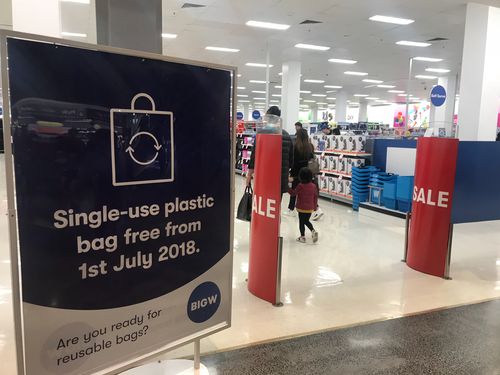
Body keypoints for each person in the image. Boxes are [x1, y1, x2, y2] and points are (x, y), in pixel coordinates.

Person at [246, 106, 294, 197]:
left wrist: (249, 175)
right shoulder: (287, 135)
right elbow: (291, 160)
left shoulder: (262, 133)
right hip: (280, 179)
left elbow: (254, 156)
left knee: (263, 203)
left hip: (265, 176)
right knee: (275, 205)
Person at [286, 128, 314, 214]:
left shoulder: (296, 147)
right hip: (307, 172)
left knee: (294, 190)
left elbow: (293, 162)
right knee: (306, 191)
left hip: (297, 173)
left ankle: (291, 209)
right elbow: (311, 158)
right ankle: (312, 208)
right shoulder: (310, 146)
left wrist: (290, 174)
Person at [289, 167, 319, 243]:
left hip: (301, 207)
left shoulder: (300, 186)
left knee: (302, 222)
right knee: (306, 220)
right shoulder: (313, 186)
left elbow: (293, 193)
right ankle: (313, 231)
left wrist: (287, 188)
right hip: (310, 208)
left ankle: (302, 237)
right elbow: (315, 197)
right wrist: (315, 207)